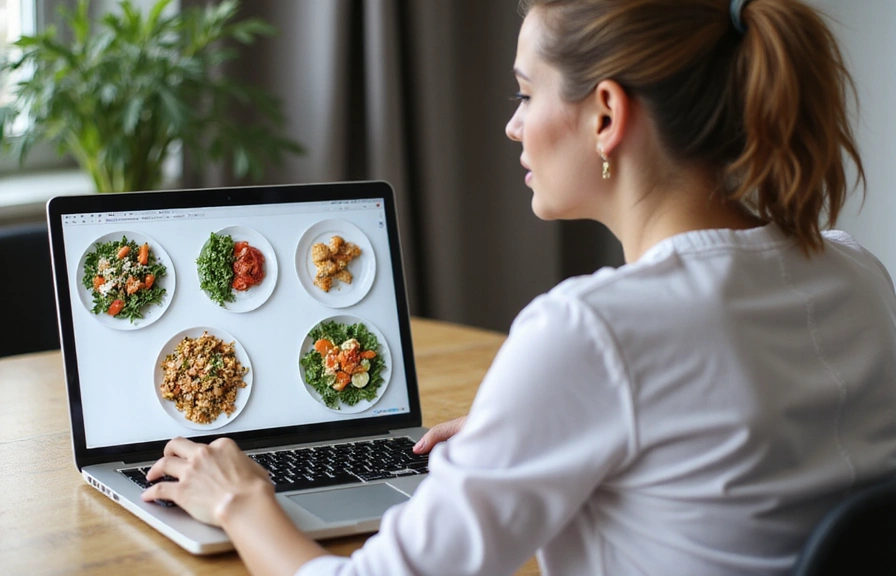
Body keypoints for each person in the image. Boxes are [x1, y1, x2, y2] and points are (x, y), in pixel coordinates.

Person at [142, 0, 896, 574]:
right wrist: (542, 423)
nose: (513, 127)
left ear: (606, 114)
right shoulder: (857, 273)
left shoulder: (591, 332)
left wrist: (239, 500)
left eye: (526, 94)